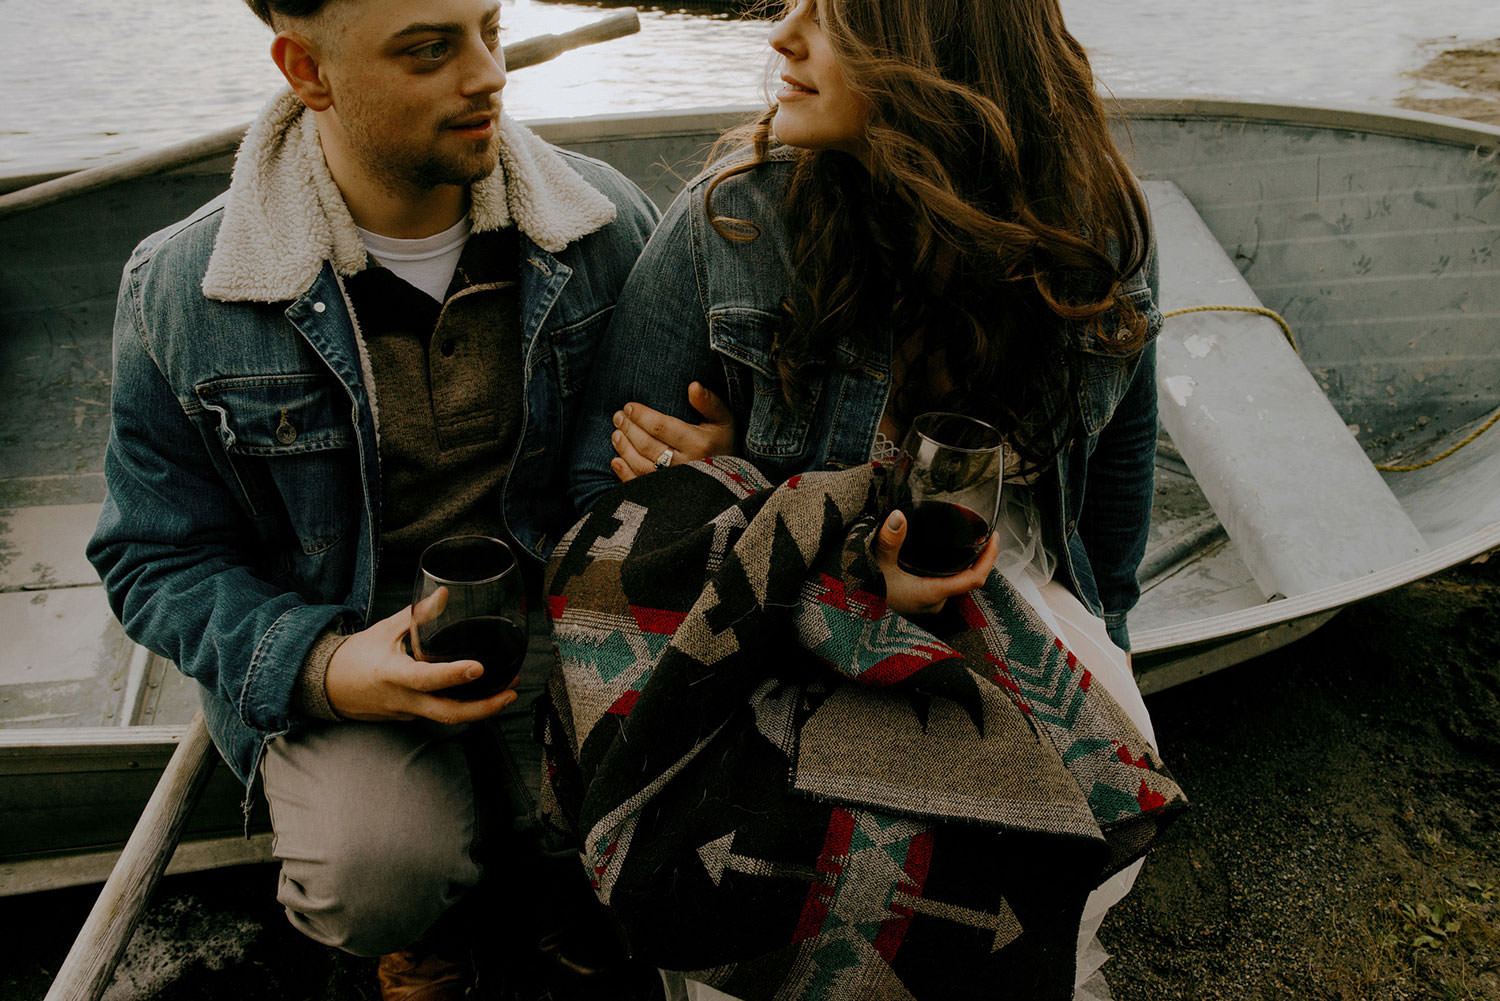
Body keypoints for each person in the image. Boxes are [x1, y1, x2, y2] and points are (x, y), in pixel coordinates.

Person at [567, 0, 1163, 995]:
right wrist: (750, 489)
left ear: (935, 46)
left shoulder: (1093, 235)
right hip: (771, 630)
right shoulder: (733, 220)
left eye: (828, 14)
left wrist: (1114, 647)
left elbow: (1112, 498)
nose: (781, 37)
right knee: (781, 895)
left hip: (1012, 612)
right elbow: (598, 498)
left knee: (1058, 858)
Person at [86, 0, 663, 997]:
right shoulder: (185, 290)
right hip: (343, 637)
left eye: (489, 25)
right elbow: (154, 557)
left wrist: (700, 446)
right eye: (431, 50)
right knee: (377, 874)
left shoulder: (605, 228)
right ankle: (423, 927)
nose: (489, 73)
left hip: (556, 623)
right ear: (305, 69)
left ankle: (556, 884)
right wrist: (321, 664)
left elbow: (666, 446)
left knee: (678, 800)